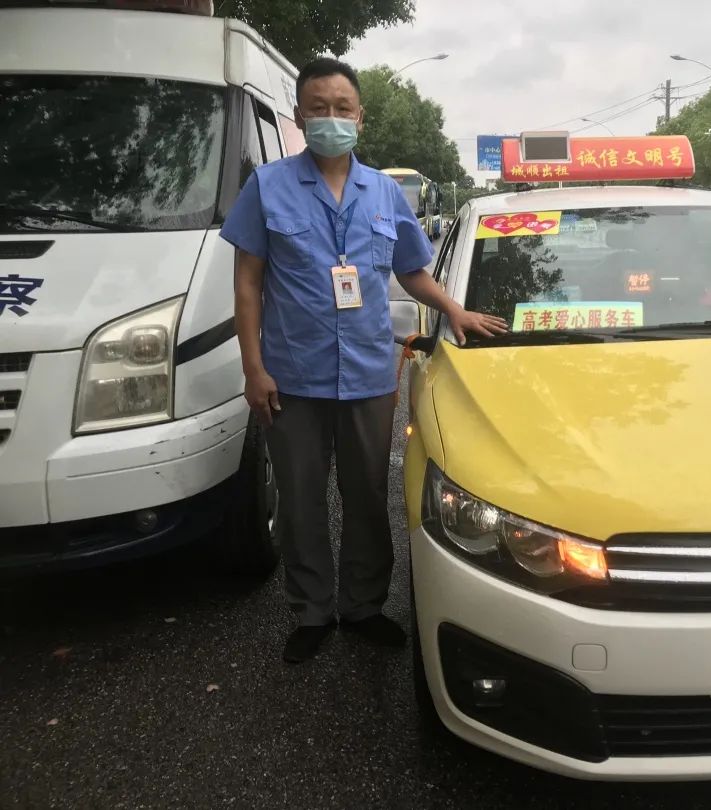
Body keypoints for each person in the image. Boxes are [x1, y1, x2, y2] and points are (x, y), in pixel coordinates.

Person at [219, 58, 508, 663]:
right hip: (292, 375)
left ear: (360, 117)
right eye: (318, 108)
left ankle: (364, 606)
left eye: (342, 108)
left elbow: (411, 270)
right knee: (300, 498)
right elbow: (247, 284)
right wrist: (253, 368)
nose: (331, 118)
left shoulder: (383, 191)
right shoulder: (267, 187)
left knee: (368, 495)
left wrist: (454, 310)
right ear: (300, 116)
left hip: (369, 374)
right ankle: (311, 611)